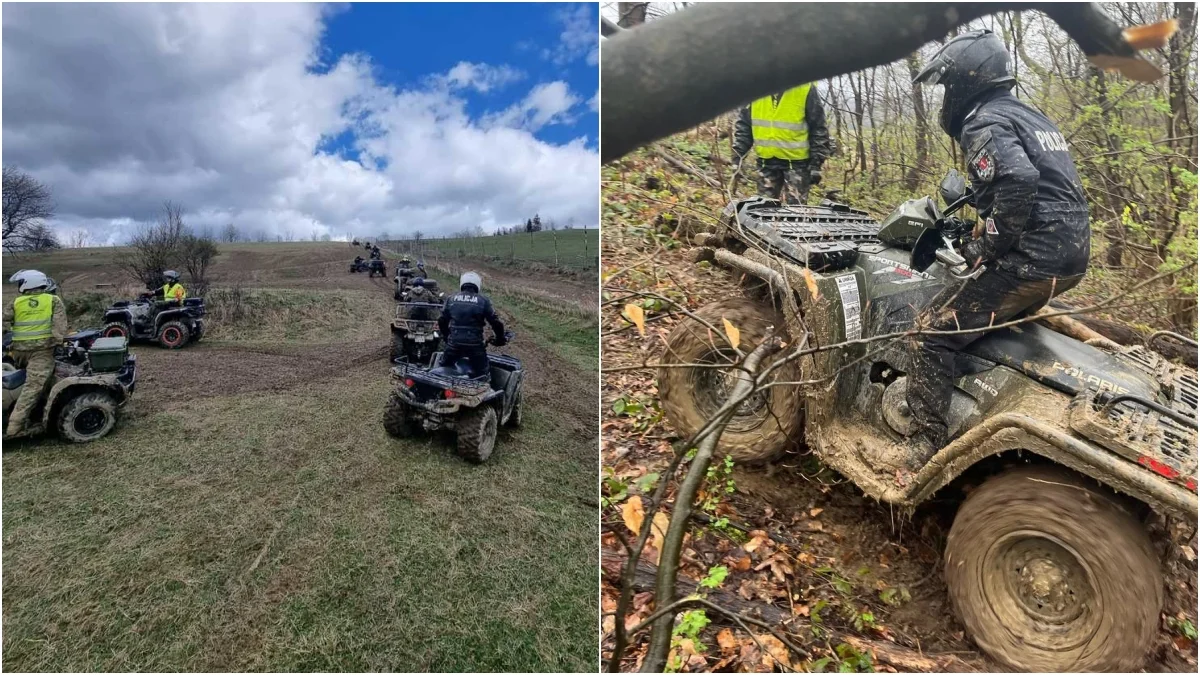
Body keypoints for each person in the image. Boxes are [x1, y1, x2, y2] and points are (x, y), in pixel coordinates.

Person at [890, 29, 1089, 475]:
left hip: (1033, 259)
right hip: (1067, 255)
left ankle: (924, 445)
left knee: (930, 335)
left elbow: (1017, 180)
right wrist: (982, 224)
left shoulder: (984, 119)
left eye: (945, 84)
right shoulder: (1029, 116)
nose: (944, 95)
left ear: (965, 80)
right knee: (987, 323)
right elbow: (1040, 185)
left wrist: (986, 244)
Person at [733, 82, 832, 204]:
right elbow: (744, 127)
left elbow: (818, 127)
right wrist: (737, 159)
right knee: (763, 211)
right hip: (766, 163)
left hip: (798, 165)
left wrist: (816, 164)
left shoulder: (805, 88)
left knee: (796, 214)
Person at [3, 271, 68, 437]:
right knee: (33, 388)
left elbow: (3, 319)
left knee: (28, 381)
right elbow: (59, 326)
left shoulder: (16, 302)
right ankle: (14, 427)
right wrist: (58, 343)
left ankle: (37, 412)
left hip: (19, 353)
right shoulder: (53, 300)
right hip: (42, 352)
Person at [437, 271, 505, 377]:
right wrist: (500, 339)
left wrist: (447, 337)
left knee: (442, 368)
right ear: (478, 284)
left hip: (453, 345)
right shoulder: (483, 301)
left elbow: (441, 320)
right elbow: (496, 323)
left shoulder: (451, 299)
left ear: (462, 283)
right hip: (475, 346)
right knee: (483, 374)